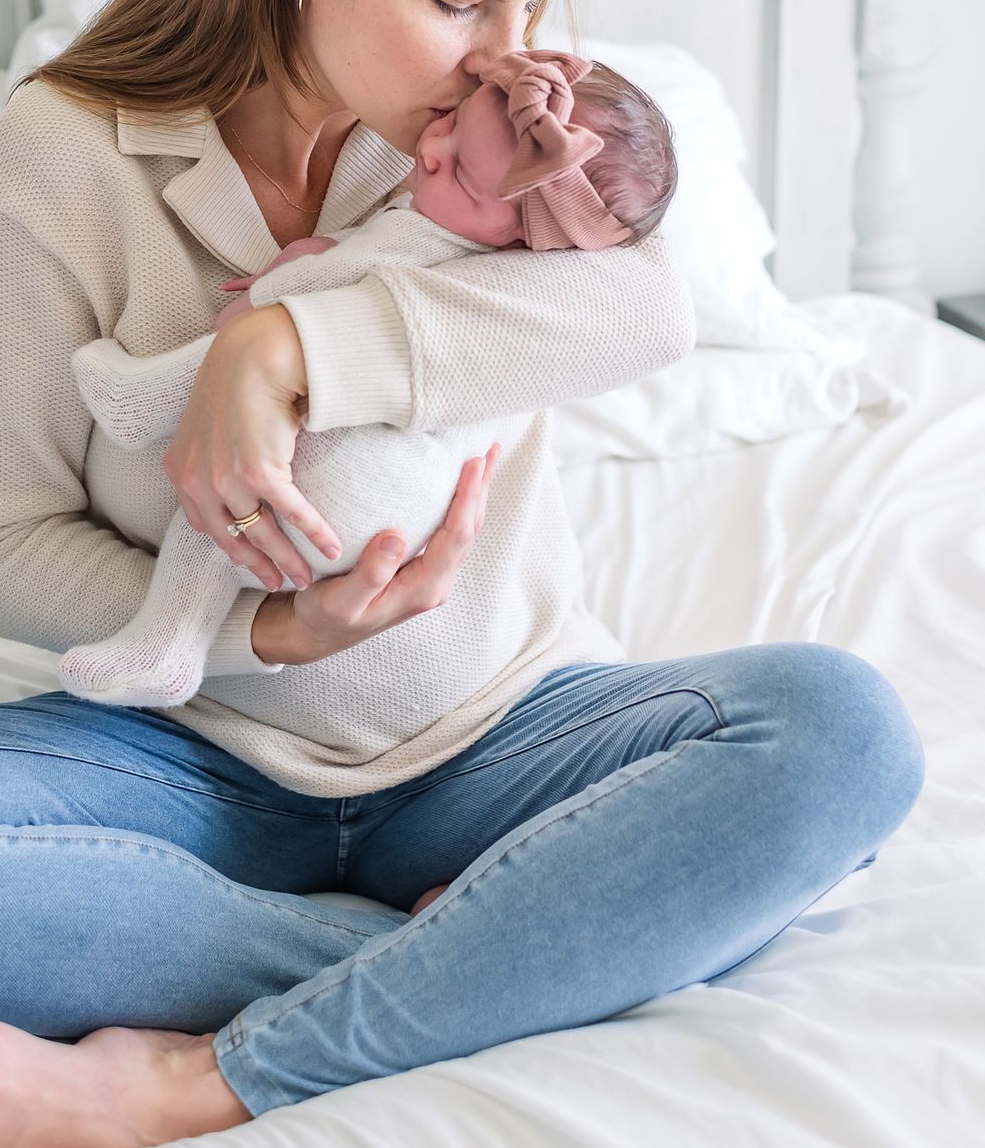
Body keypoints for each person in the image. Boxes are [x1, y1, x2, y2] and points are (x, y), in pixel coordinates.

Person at [0, 0, 925, 1148]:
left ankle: (212, 1071)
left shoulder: (502, 138)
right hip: (193, 754)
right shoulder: (64, 157)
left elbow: (647, 311)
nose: (505, 61)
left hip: (505, 731)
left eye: (533, 5)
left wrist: (289, 342)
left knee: (841, 734)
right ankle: (506, 948)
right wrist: (264, 633)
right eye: (460, 2)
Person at [57, 49, 678, 710]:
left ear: (532, 244)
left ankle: (140, 410)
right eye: (451, 120)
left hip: (363, 504)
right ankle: (172, 645)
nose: (431, 148)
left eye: (461, 171)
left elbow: (297, 301)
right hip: (384, 514)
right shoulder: (490, 234)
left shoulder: (455, 250)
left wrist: (273, 304)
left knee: (225, 480)